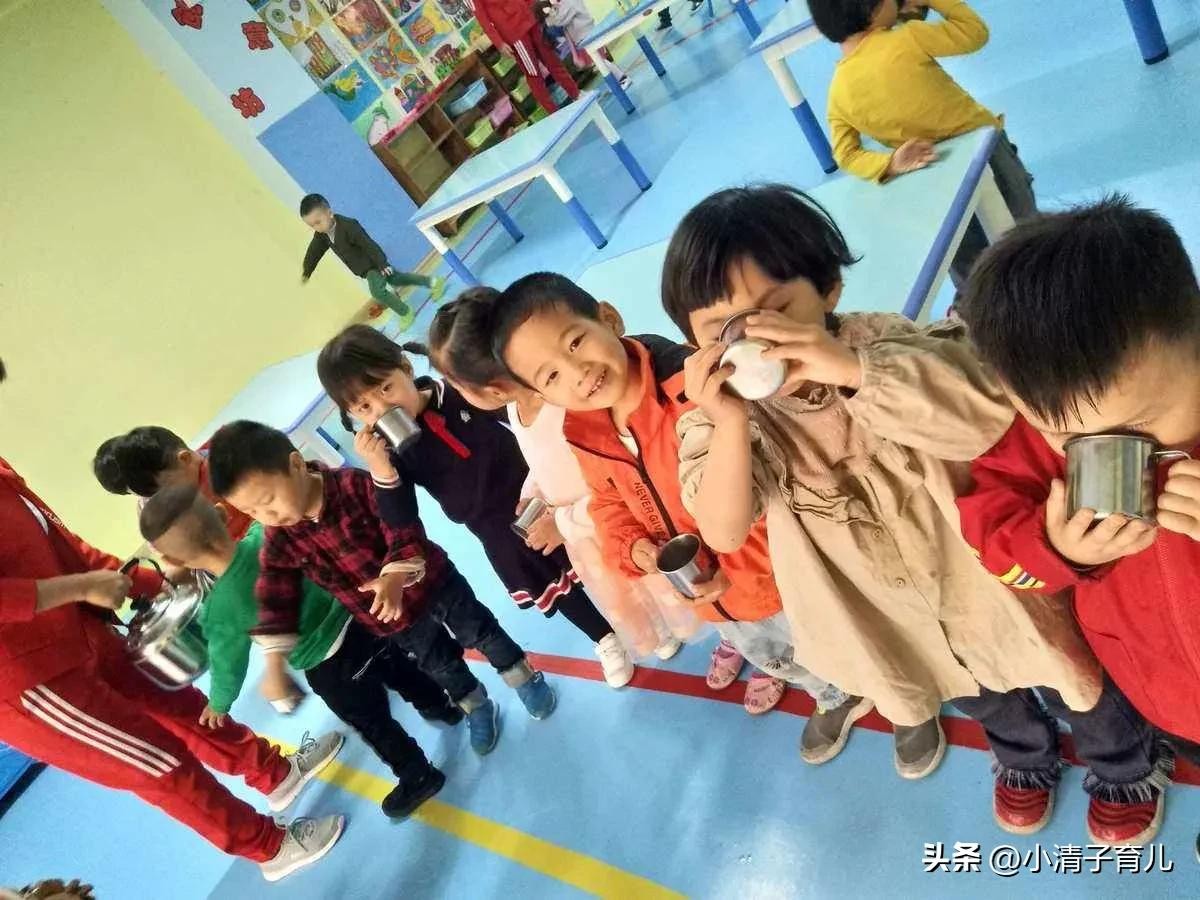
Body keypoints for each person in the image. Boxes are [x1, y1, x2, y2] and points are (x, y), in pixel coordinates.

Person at [659, 184, 1161, 842]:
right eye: (723, 331)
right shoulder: (718, 421)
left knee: (1066, 665)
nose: (755, 342)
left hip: (981, 575)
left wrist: (852, 370)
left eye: (775, 311)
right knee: (972, 687)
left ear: (829, 291)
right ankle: (1022, 755)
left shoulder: (883, 344)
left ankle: (1123, 764)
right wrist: (727, 420)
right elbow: (723, 529)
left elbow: (984, 416)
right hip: (889, 605)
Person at [488, 272, 872, 765]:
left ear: (609, 318)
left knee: (837, 637)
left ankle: (893, 696)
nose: (577, 372)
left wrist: (735, 567)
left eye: (576, 342)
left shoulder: (689, 387)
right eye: (551, 377)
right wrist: (635, 549)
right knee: (773, 653)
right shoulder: (583, 432)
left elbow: (768, 478)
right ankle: (833, 694)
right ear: (541, 395)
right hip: (712, 599)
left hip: (777, 573)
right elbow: (607, 503)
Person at [0, 360, 344, 882]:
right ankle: (268, 847)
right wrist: (83, 588)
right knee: (154, 759)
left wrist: (137, 580)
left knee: (179, 704)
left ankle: (272, 772)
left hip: (80, 627)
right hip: (29, 679)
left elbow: (55, 540)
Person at [955, 196, 1198, 844]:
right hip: (1159, 689)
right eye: (1070, 439)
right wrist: (1059, 550)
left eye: (1138, 426)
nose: (1112, 455)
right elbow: (991, 538)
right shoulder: (1039, 438)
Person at [206, 420, 556, 756]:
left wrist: (394, 575)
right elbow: (274, 594)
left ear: (296, 464)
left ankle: (524, 679)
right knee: (438, 665)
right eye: (252, 511)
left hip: (435, 583)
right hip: (394, 619)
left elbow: (401, 525)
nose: (267, 515)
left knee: (482, 633)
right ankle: (476, 706)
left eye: (268, 499)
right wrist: (274, 665)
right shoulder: (280, 537)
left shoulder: (352, 485)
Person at [418, 290, 702, 686]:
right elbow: (542, 462)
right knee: (629, 596)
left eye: (456, 385)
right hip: (587, 540)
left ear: (492, 390)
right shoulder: (516, 409)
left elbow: (613, 485)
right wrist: (533, 491)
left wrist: (561, 523)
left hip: (614, 526)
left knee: (665, 587)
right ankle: (662, 634)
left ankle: (718, 631)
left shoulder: (565, 405)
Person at [316, 325, 626, 683]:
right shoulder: (390, 451)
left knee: (600, 552)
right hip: (497, 530)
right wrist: (381, 470)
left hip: (539, 493)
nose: (384, 407)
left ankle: (636, 615)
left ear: (406, 367)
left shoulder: (459, 391)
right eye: (365, 407)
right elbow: (400, 519)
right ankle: (605, 638)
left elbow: (517, 415)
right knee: (557, 586)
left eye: (386, 388)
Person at [139, 485, 460, 819]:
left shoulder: (220, 609)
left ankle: (418, 775)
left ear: (175, 562)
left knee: (374, 723)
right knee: (402, 670)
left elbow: (228, 664)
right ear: (221, 513)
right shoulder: (268, 535)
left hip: (327, 665)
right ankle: (441, 705)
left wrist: (219, 703)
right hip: (360, 620)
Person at [808, 0, 1035, 283]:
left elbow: (846, 154)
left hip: (929, 175)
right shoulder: (909, 37)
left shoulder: (838, 93)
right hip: (986, 153)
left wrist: (890, 163)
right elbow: (974, 32)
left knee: (966, 259)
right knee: (1026, 234)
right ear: (873, 9)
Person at [299, 194, 445, 319]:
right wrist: (307, 270)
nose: (317, 227)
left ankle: (406, 313)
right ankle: (434, 282)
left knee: (377, 291)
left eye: (318, 222)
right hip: (365, 269)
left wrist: (382, 264)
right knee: (398, 279)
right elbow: (314, 252)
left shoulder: (349, 226)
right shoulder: (322, 235)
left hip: (372, 265)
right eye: (312, 225)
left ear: (329, 213)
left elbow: (369, 244)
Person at [471, 0, 580, 113]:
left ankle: (576, 94)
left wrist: (537, 10)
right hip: (513, 31)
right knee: (533, 73)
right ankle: (553, 112)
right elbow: (482, 18)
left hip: (530, 17)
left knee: (553, 60)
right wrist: (499, 42)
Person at [537, 0, 632, 89]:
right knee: (599, 61)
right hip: (584, 36)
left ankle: (622, 78)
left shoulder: (568, 3)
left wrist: (551, 11)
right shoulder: (563, 4)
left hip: (587, 35)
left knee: (601, 61)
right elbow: (558, 22)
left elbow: (560, 21)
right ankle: (617, 81)